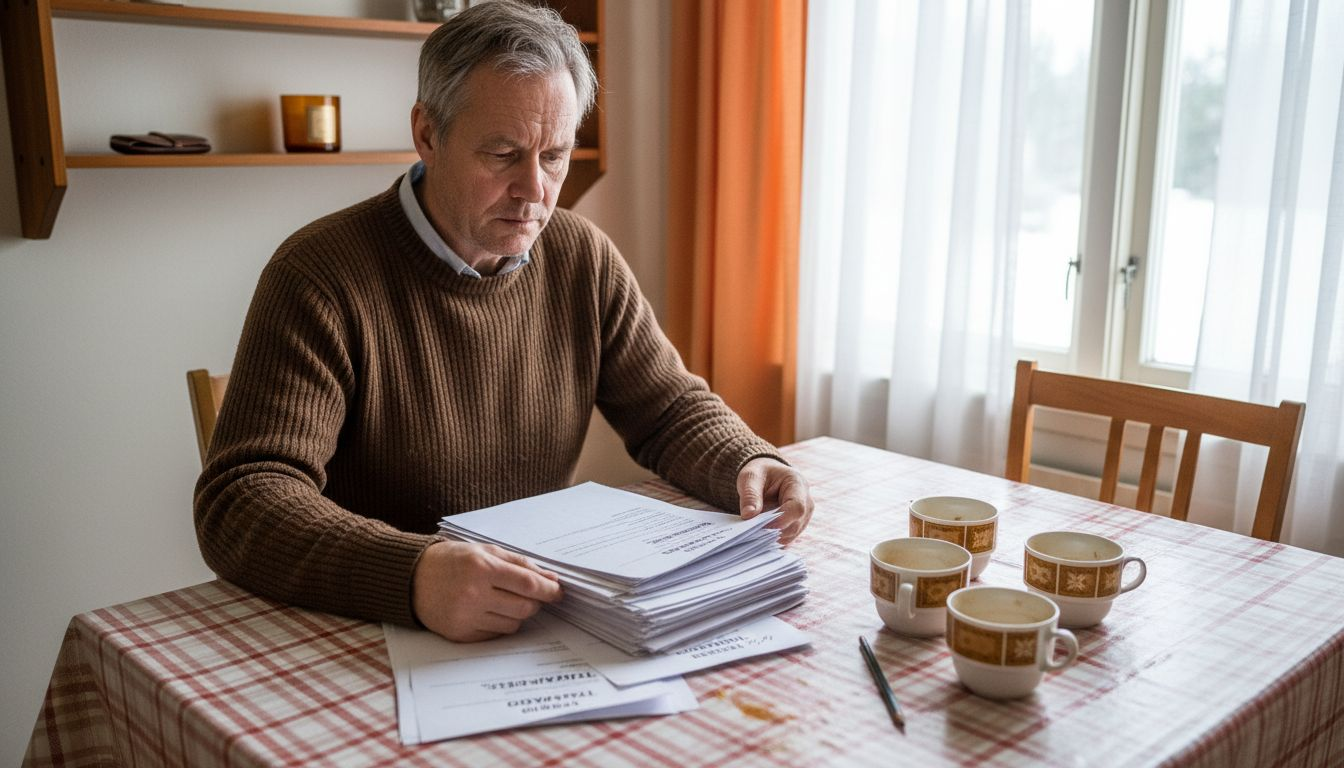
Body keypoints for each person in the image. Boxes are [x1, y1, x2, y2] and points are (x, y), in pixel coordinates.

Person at [194, 0, 813, 645]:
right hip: (370, 628)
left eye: (554, 156)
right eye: (503, 153)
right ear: (428, 134)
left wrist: (746, 459)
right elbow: (241, 499)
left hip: (538, 617)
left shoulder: (580, 255)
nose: (535, 191)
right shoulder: (321, 272)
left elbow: (665, 410)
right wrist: (412, 573)